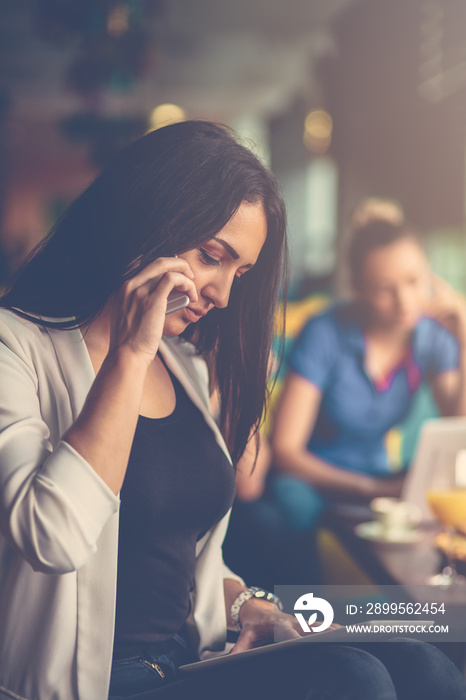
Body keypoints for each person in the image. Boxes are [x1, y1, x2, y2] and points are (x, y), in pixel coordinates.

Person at [0, 122, 464, 700]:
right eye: (210, 257)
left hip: (187, 662)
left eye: (238, 274)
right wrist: (130, 352)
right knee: (355, 679)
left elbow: (189, 562)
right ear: (148, 217)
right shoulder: (14, 347)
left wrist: (249, 604)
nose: (221, 294)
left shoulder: (185, 367)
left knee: (421, 654)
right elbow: (52, 538)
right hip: (95, 683)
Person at [271, 217, 466, 530]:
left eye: (414, 281)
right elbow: (285, 451)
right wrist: (371, 489)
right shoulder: (324, 333)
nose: (404, 301)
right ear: (357, 290)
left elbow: (459, 425)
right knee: (294, 506)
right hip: (314, 477)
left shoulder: (432, 337)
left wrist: (465, 336)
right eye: (384, 289)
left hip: (379, 473)